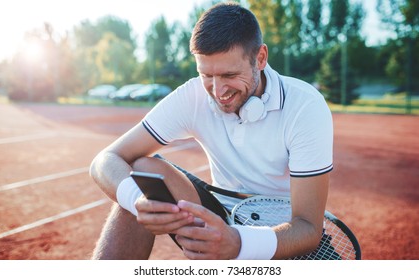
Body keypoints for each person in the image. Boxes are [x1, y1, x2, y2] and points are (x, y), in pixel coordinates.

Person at [89, 2, 333, 260]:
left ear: (260, 58)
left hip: (283, 235)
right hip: (220, 217)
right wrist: (137, 202)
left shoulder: (304, 105)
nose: (218, 91)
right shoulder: (192, 96)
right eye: (207, 75)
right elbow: (104, 161)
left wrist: (238, 243)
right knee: (142, 173)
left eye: (229, 74)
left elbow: (307, 228)